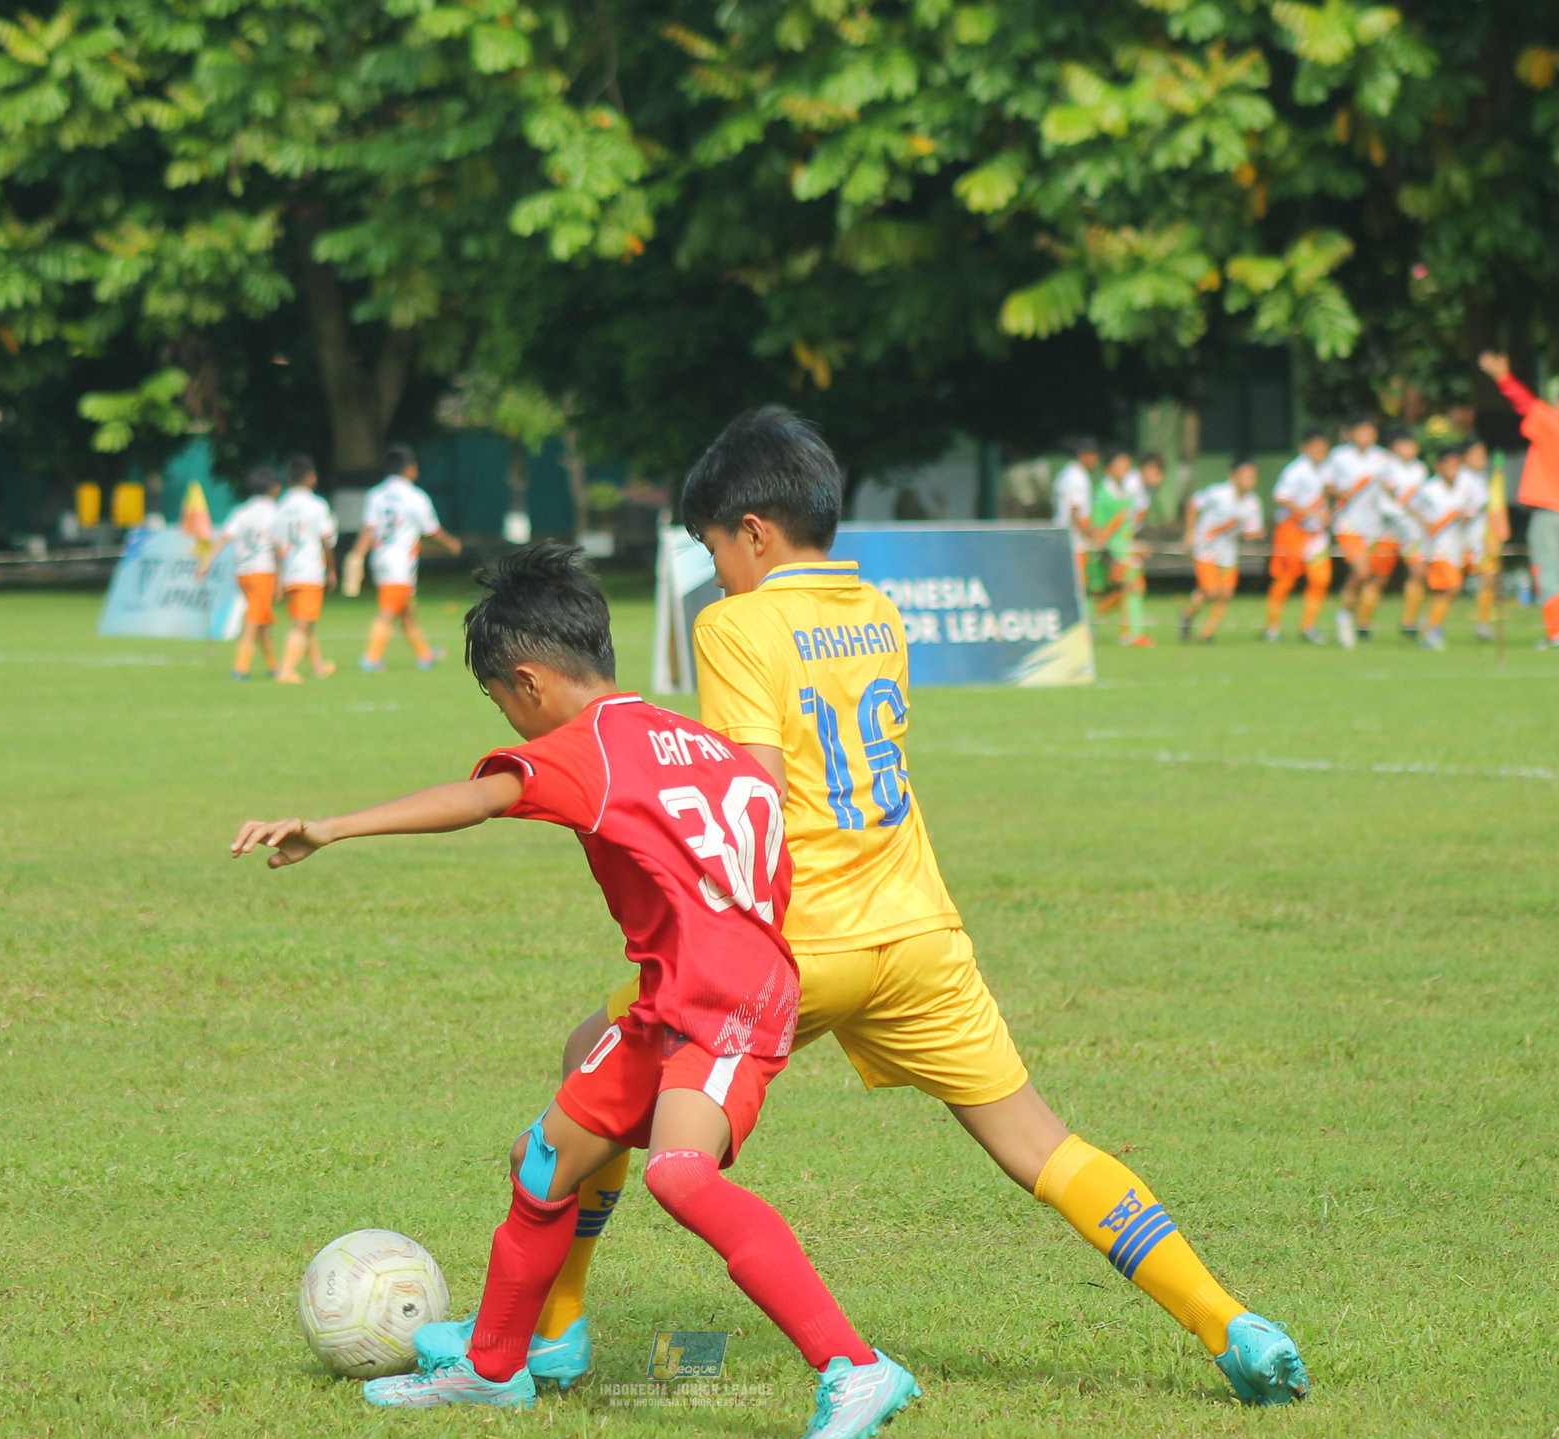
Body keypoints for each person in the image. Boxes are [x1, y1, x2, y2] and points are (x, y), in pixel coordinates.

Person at [433, 407, 1308, 1408]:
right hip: (919, 929)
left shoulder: (735, 623)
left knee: (595, 1082)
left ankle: (551, 1331)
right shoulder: (877, 609)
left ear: (752, 530)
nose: (713, 573)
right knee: (1041, 1143)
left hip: (791, 944)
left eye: (713, 548)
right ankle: (1224, 1318)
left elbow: (750, 792)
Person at [229, 544, 921, 1436]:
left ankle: (856, 1367)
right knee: (545, 1160)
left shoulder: (585, 747)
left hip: (725, 1001)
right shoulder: (698, 739)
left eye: (502, 704)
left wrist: (332, 826)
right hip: (677, 994)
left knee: (678, 1174)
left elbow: (476, 800)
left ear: (528, 681)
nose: (514, 725)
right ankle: (492, 1369)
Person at [1478, 353, 1559, 648]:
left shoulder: (1554, 423)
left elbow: (1523, 402)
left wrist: (1502, 376)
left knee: (1548, 571)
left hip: (1549, 512)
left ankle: (1556, 634)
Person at [347, 444, 463, 672]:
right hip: (399, 563)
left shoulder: (376, 495)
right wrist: (451, 544)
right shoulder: (415, 497)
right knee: (388, 612)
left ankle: (425, 656)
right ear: (410, 469)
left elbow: (369, 529)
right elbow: (431, 530)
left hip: (381, 559)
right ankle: (371, 658)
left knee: (407, 611)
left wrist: (357, 555)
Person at [196, 464, 285, 681]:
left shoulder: (242, 511)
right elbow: (278, 549)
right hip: (263, 571)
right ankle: (241, 667)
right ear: (274, 488)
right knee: (254, 619)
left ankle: (274, 666)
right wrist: (281, 580)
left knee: (262, 619)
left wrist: (206, 561)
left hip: (243, 572)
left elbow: (224, 538)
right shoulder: (275, 513)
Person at [1181, 457, 1264, 644]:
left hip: (1228, 553)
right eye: (1245, 476)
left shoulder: (1253, 503)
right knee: (1210, 591)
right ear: (1233, 476)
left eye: (1252, 477)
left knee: (1225, 593)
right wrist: (1190, 532)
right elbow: (1193, 505)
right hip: (1206, 548)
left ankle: (1207, 633)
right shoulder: (1218, 493)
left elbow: (1250, 532)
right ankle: (1187, 614)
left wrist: (1256, 535)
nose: (1249, 481)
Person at [1264, 428, 1335, 644]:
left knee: (1321, 579)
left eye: (1323, 448)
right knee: (1286, 579)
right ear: (1303, 448)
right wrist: (1308, 513)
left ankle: (1308, 626)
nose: (1319, 452)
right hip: (1291, 530)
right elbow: (1281, 497)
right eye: (1315, 447)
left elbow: (1324, 494)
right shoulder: (1295, 470)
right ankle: (1272, 627)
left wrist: (1325, 514)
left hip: (1314, 533)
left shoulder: (1324, 469)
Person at [273, 453, 338, 683]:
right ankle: (286, 670)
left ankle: (318, 666)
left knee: (303, 621)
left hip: (290, 571)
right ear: (311, 478)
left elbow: (277, 546)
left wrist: (278, 579)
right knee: (302, 624)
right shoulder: (317, 505)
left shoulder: (281, 507)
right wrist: (331, 569)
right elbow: (327, 540)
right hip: (309, 570)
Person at [1326, 414, 1388, 648]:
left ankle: (1352, 615)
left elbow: (1391, 490)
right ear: (1352, 434)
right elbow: (1326, 483)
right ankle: (1344, 617)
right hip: (1348, 524)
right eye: (1361, 431)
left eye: (1370, 431)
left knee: (1369, 576)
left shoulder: (1382, 459)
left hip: (1374, 526)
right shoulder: (1339, 457)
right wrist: (1341, 493)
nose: (1366, 436)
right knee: (1361, 572)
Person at [1405, 445, 1470, 650]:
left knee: (1444, 590)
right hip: (1436, 547)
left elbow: (1468, 513)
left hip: (1455, 546)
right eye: (1449, 466)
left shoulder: (1463, 489)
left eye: (1456, 466)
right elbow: (1411, 507)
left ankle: (1431, 624)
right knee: (1453, 586)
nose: (1453, 471)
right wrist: (1426, 524)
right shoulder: (1429, 489)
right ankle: (1432, 626)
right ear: (1439, 467)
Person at [1089, 448, 1153, 646]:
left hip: (1123, 548)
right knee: (1098, 591)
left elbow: (1127, 527)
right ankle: (1087, 626)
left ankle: (1131, 634)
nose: (1125, 470)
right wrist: (1112, 553)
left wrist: (1134, 545)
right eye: (1120, 466)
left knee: (1131, 587)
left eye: (1127, 466)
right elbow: (1099, 528)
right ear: (1109, 469)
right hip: (1106, 551)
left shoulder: (1127, 493)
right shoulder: (1102, 494)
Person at [1377, 429, 1429, 639]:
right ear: (1395, 447)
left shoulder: (1420, 469)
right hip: (1388, 526)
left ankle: (1409, 621)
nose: (1409, 450)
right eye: (1404, 445)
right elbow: (1395, 494)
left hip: (1411, 528)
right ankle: (1362, 623)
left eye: (1412, 445)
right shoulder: (1386, 467)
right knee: (1378, 577)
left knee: (1418, 572)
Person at [1456, 439, 1508, 643]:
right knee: (1451, 585)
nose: (1481, 460)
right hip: (1461, 540)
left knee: (1487, 579)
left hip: (1480, 539)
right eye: (1476, 455)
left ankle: (1482, 625)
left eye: (1482, 455)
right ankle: (1431, 623)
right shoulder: (1461, 479)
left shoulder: (1481, 478)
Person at [1050, 436, 1098, 562]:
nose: (1095, 459)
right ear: (1083, 455)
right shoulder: (1076, 477)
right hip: (1073, 543)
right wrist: (1090, 536)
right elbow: (1074, 512)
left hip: (1066, 539)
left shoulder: (1071, 473)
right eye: (1092, 454)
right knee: (1077, 580)